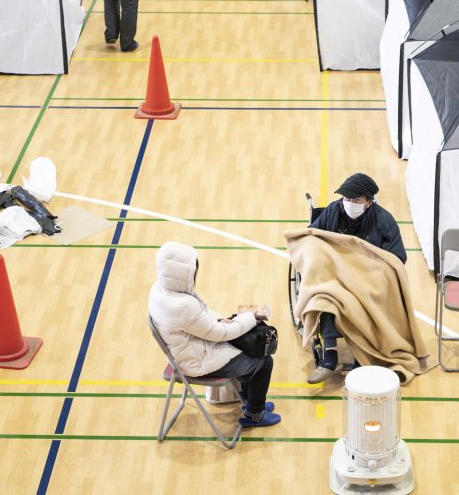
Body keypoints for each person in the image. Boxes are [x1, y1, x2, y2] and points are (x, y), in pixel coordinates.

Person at [148, 242, 281, 428]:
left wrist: (225, 320)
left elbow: (203, 317)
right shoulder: (183, 306)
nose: (194, 276)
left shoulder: (160, 290)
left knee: (246, 345)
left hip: (188, 351)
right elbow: (221, 334)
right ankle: (254, 413)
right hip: (198, 361)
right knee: (263, 361)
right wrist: (251, 318)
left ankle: (249, 401)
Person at [305, 172, 406, 383]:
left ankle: (363, 357)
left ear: (368, 202)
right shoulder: (334, 209)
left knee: (362, 302)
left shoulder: (384, 220)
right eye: (346, 199)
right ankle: (329, 357)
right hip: (335, 276)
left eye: (356, 200)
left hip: (368, 280)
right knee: (326, 297)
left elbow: (397, 258)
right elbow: (311, 236)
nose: (349, 203)